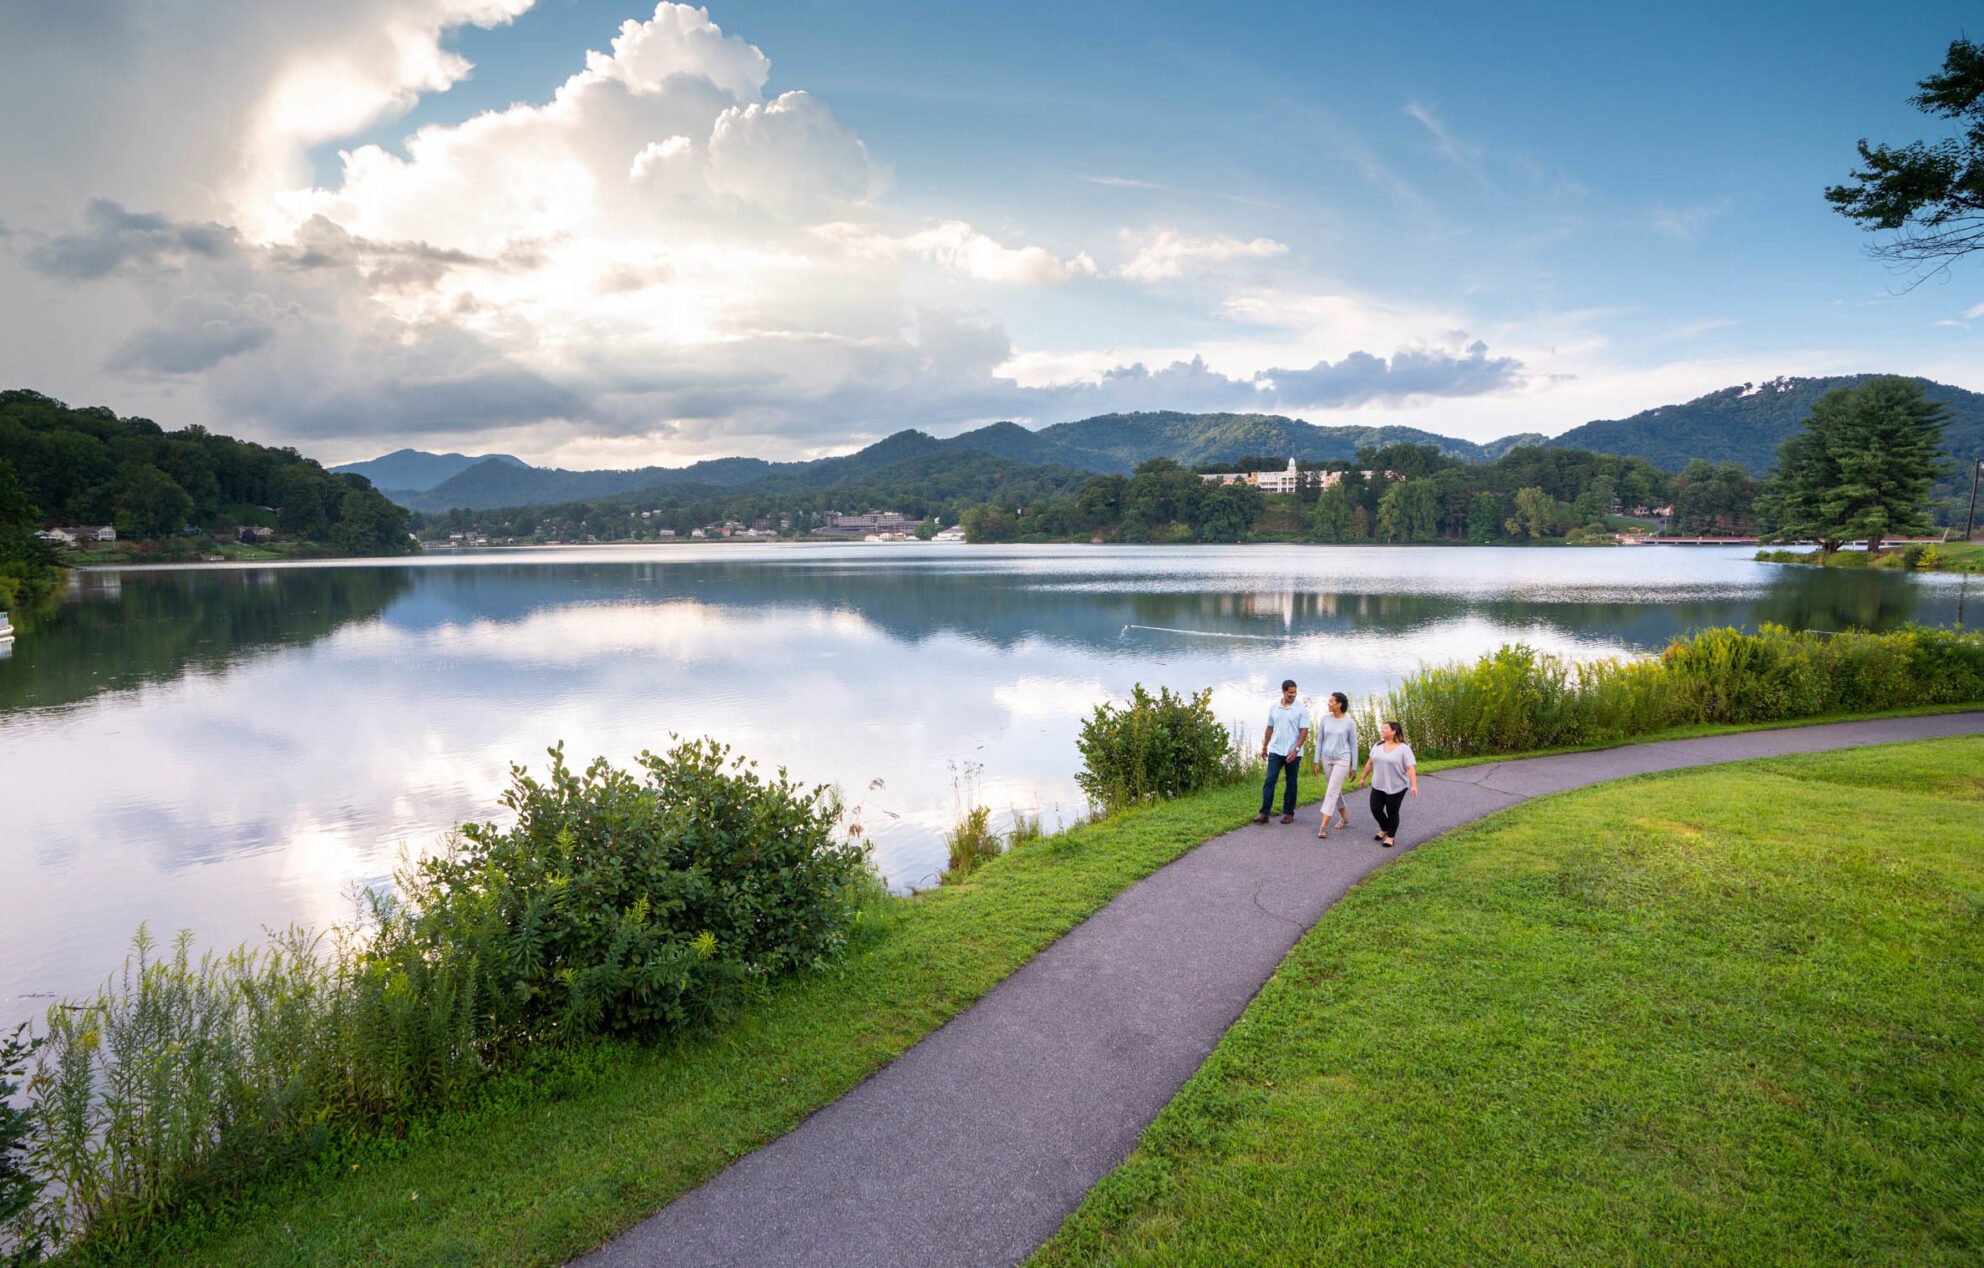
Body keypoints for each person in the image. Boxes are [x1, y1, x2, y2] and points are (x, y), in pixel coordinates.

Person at [1254, 679, 1310, 824]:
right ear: (1283, 691)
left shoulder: (1301, 709)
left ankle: (1288, 813)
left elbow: (1304, 731)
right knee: (1269, 780)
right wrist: (1265, 747)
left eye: (1295, 692)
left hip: (1293, 752)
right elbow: (1269, 728)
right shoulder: (1274, 707)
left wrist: (1296, 750)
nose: (1293, 695)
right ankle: (1264, 813)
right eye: (1290, 692)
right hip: (1276, 750)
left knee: (1291, 782)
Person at [1355, 720, 1417, 848]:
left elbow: (1410, 768)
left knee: (1392, 812)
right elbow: (1370, 763)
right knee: (1375, 809)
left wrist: (1414, 785)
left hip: (1397, 786)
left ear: (1394, 731)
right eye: (1382, 728)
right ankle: (1384, 828)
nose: (1382, 730)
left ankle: (1390, 836)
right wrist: (1362, 777)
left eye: (1385, 728)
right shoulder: (1377, 745)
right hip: (1378, 784)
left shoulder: (1404, 749)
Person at [1311, 691, 1358, 839]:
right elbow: (1319, 741)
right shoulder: (1325, 719)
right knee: (1334, 789)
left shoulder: (1349, 722)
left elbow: (1353, 745)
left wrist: (1354, 767)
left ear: (1339, 704)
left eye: (1331, 702)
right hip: (1326, 758)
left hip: (1342, 759)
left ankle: (1323, 826)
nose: (1328, 704)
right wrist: (1316, 760)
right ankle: (1345, 817)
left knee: (1331, 790)